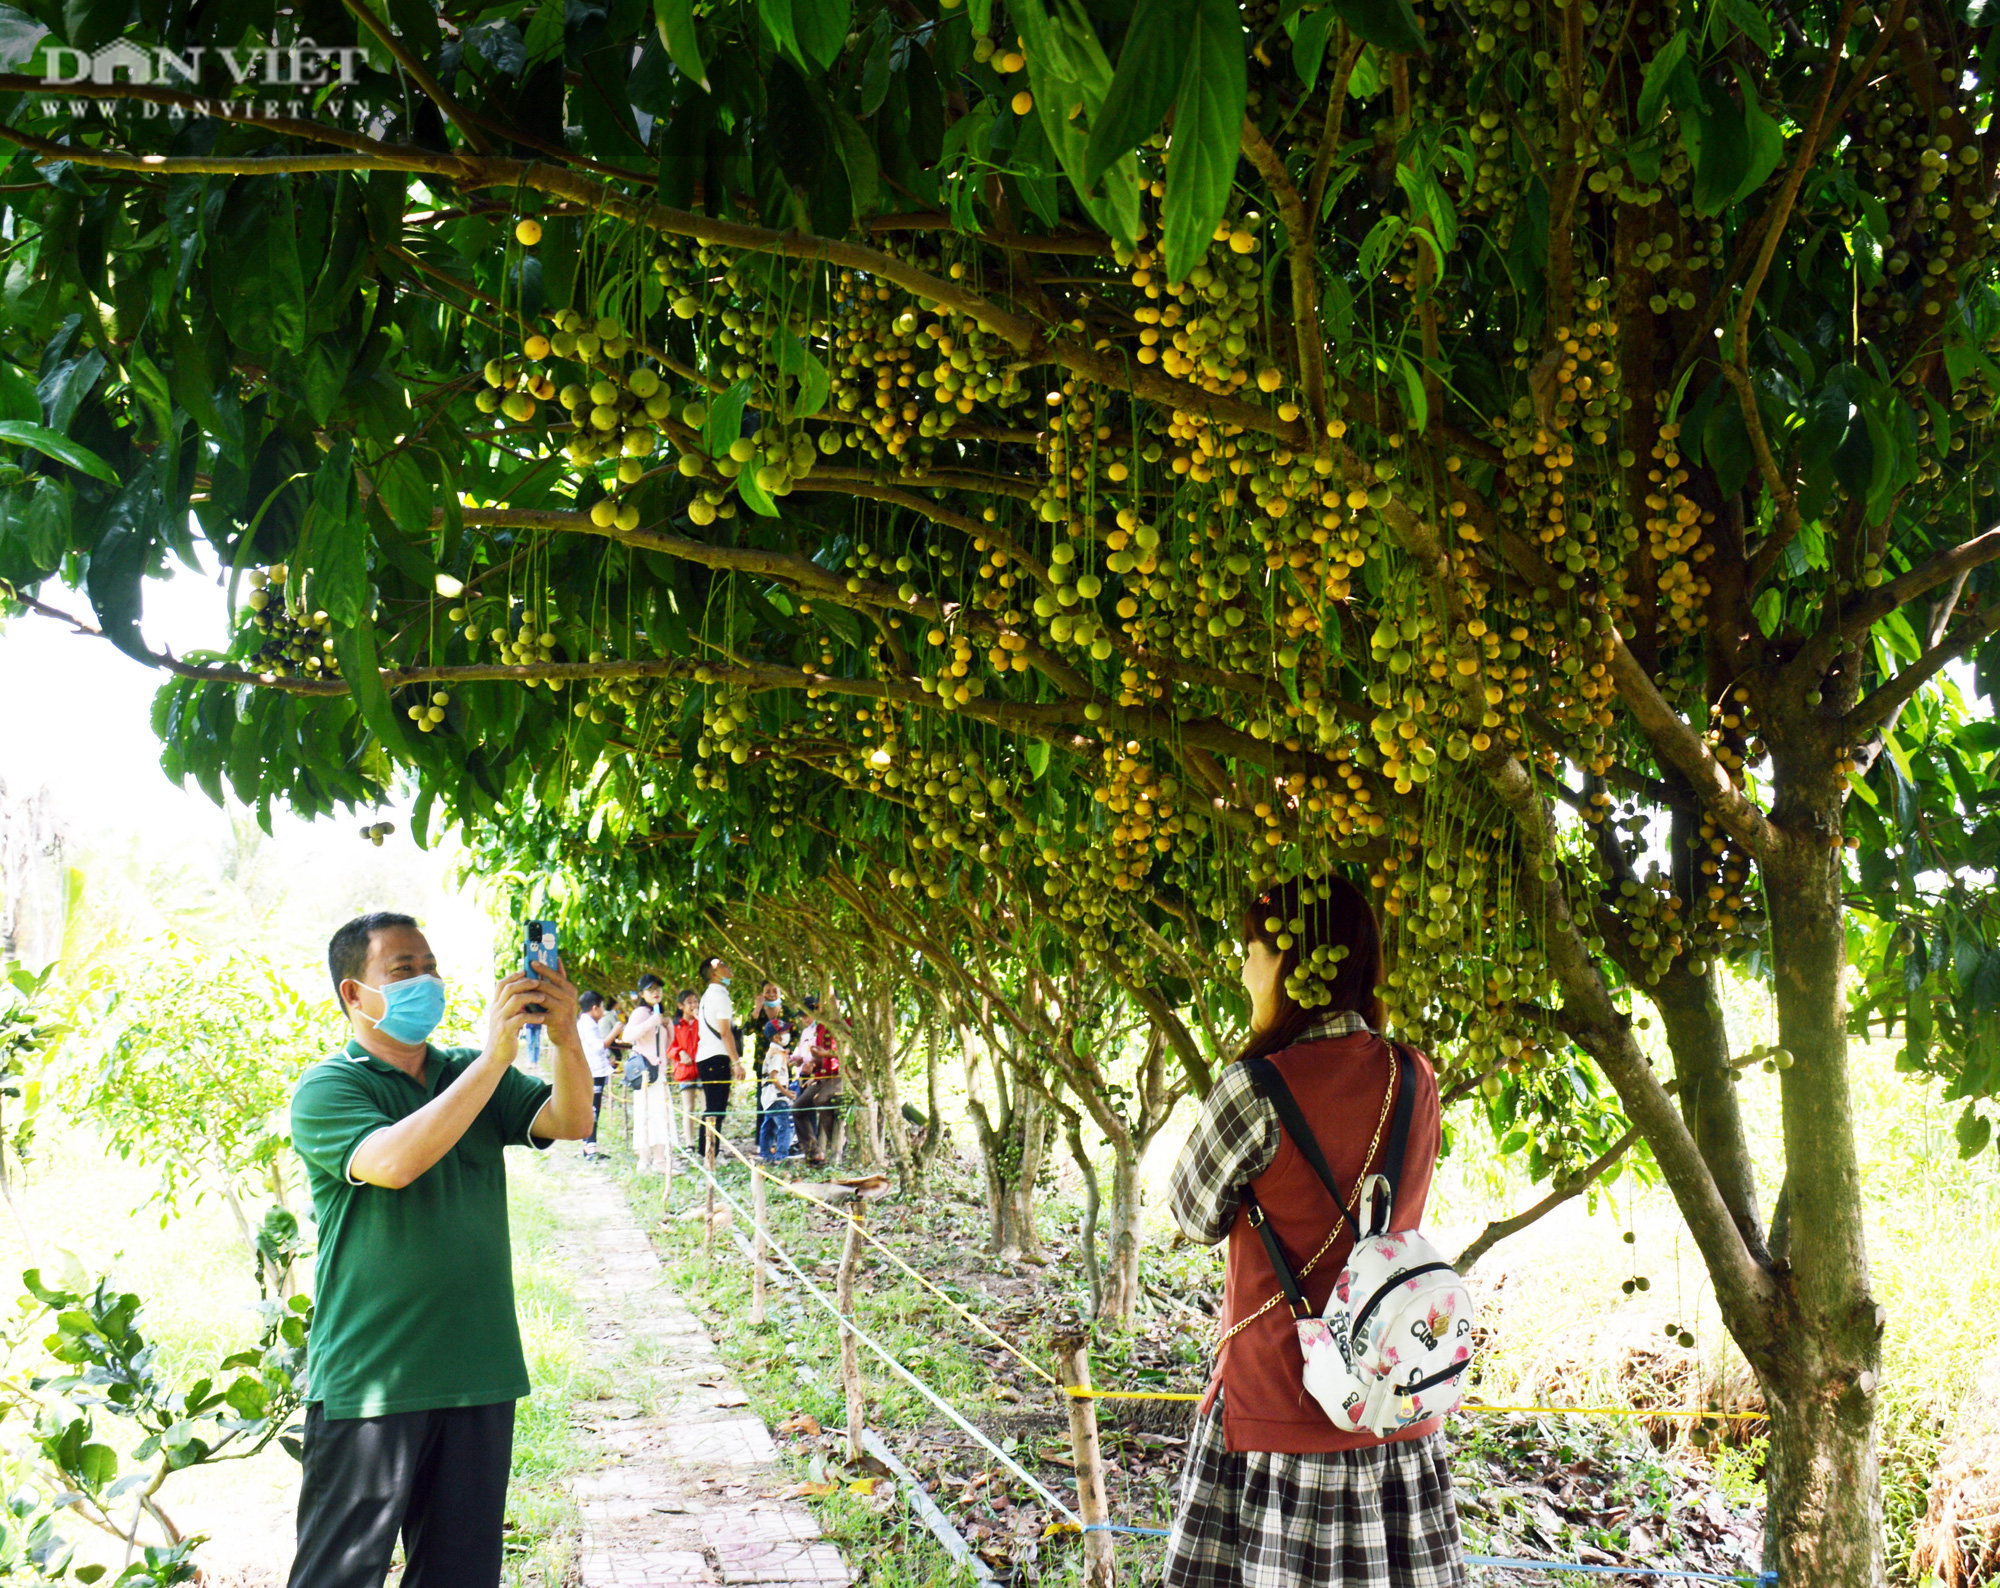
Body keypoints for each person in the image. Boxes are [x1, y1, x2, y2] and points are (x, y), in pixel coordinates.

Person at [1161, 875, 1458, 1588]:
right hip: (1391, 1399)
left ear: (1294, 964)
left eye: (1251, 950)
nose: (1242, 967)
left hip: (1280, 1405)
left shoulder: (1254, 1087)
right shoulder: (1416, 1077)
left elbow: (1191, 1216)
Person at [286, 911, 594, 1588]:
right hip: (373, 1379)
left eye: (430, 967)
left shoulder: (466, 1073)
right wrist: (491, 1061)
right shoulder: (330, 1087)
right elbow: (393, 1163)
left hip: (477, 1371)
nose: (425, 981)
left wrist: (567, 1038)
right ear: (353, 994)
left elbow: (571, 1120)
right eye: (403, 971)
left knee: (459, 1575)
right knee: (338, 1575)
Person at [623, 975, 672, 1172]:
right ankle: (646, 1160)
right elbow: (627, 1036)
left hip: (658, 1072)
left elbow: (665, 1045)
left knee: (660, 1115)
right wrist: (651, 1022)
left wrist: (667, 1024)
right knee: (646, 1114)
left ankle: (658, 1160)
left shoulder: (657, 1012)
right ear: (642, 994)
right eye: (651, 989)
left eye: (658, 988)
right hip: (645, 1072)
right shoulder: (642, 1013)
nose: (656, 992)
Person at [693, 956, 742, 1152]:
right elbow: (724, 1031)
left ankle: (707, 1150)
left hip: (706, 1056)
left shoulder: (707, 995)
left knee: (713, 1106)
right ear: (714, 974)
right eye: (722, 965)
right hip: (716, 1057)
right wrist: (736, 1061)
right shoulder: (719, 996)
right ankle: (708, 1151)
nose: (728, 967)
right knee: (716, 1108)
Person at [792, 996, 843, 1168]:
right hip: (821, 1076)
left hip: (840, 1076)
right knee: (798, 1108)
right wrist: (813, 1066)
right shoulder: (820, 1027)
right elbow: (821, 1059)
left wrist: (826, 1055)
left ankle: (835, 1147)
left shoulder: (844, 1024)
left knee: (822, 1100)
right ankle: (813, 1152)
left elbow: (851, 1055)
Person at [577, 990, 611, 1163]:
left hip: (592, 1070)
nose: (603, 1012)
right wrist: (615, 1032)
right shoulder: (587, 1024)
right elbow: (598, 1047)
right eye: (602, 1008)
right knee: (593, 1108)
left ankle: (588, 1145)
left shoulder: (586, 1023)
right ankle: (591, 1147)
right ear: (595, 1007)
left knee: (591, 1107)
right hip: (593, 1072)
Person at [668, 987, 702, 1146]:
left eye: (695, 1001)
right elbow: (668, 1047)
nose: (693, 1005)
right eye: (689, 1002)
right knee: (689, 1107)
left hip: (702, 1068)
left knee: (706, 1108)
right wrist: (680, 1052)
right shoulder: (674, 1025)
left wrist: (700, 1019)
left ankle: (705, 1142)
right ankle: (690, 1143)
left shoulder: (702, 1022)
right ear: (681, 1006)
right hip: (685, 1070)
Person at [758, 1030, 797, 1163]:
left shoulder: (774, 1052)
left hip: (768, 1097)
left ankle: (765, 1155)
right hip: (777, 1097)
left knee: (769, 1125)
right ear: (776, 1036)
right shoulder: (777, 1055)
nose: (787, 1034)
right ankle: (781, 1157)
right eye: (784, 1032)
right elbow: (773, 1077)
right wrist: (786, 1093)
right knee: (786, 1126)